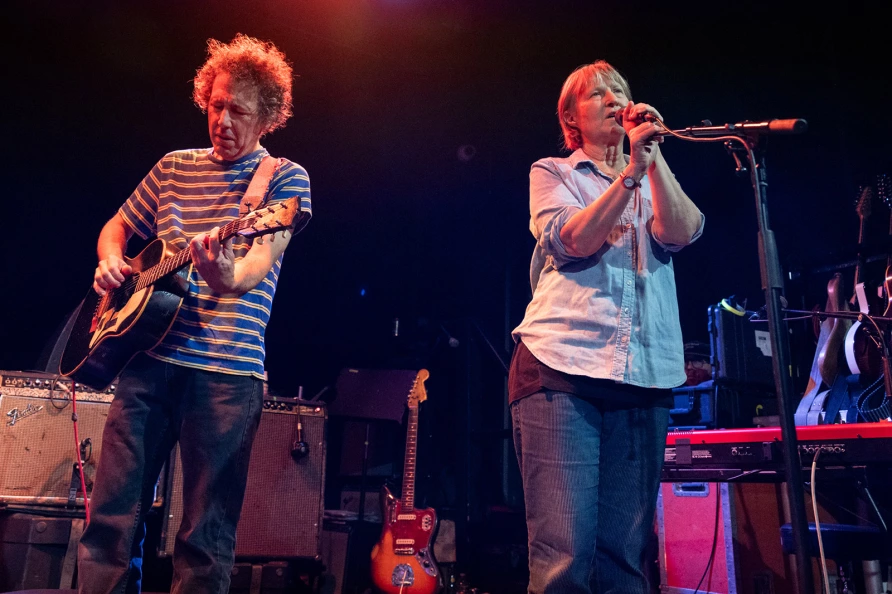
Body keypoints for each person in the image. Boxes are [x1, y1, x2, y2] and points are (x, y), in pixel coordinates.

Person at [77, 34, 311, 594]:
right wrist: (111, 261)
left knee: (205, 539)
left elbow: (249, 273)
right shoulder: (173, 167)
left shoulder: (284, 182)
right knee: (110, 523)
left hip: (227, 374)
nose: (223, 121)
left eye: (239, 112)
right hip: (146, 363)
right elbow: (117, 226)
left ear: (268, 117)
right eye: (216, 105)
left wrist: (220, 272)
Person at [508, 60, 704, 593]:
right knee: (565, 557)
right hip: (561, 368)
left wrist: (651, 157)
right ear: (571, 118)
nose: (614, 98)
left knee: (626, 560)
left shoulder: (653, 172)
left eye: (620, 89)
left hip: (644, 376)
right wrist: (630, 174)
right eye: (597, 94)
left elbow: (682, 231)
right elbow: (573, 241)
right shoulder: (555, 172)